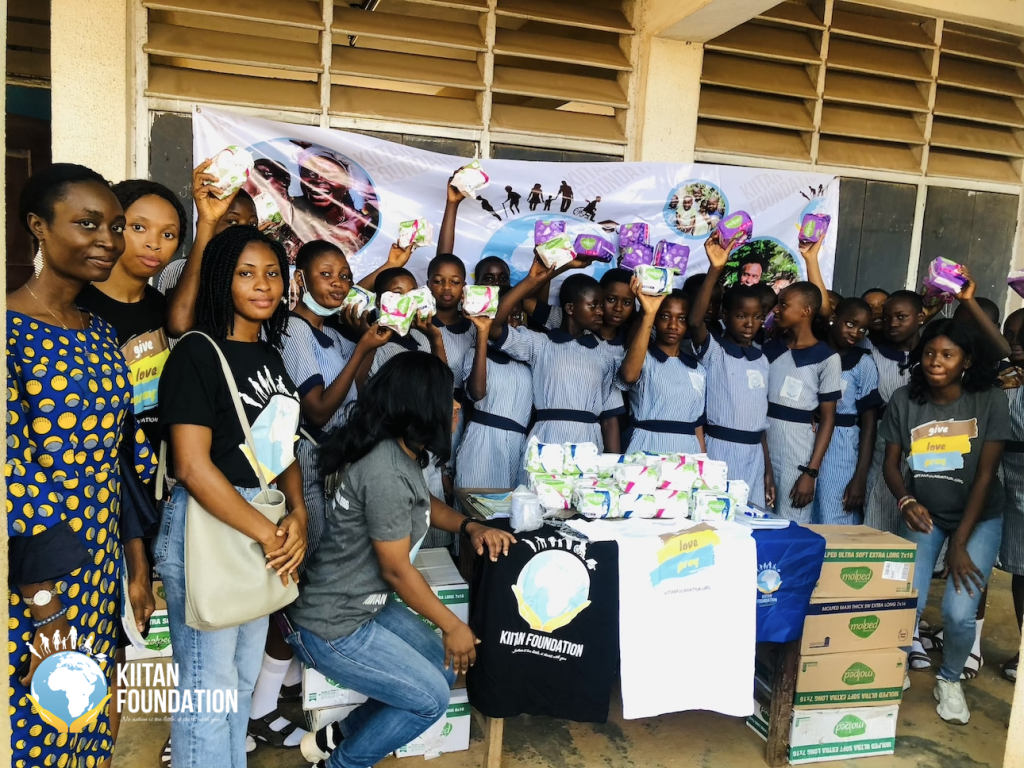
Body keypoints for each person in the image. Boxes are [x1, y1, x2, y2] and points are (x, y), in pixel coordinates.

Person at [288, 352, 516, 768]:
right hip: (333, 626)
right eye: (446, 397)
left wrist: (470, 527)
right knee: (430, 699)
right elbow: (396, 571)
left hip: (363, 608)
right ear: (419, 406)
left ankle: (337, 736)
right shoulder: (386, 469)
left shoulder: (400, 453)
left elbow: (422, 501)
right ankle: (342, 763)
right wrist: (453, 626)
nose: (456, 406)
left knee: (442, 669)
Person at [9, 163, 158, 768]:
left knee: (89, 727)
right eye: (88, 224)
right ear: (38, 227)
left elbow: (122, 459)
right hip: (33, 580)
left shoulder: (99, 334)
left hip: (98, 569)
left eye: (116, 227)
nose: (108, 240)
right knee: (39, 730)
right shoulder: (9, 334)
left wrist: (135, 566)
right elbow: (13, 479)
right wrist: (45, 611)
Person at [157, 226, 308, 768]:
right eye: (246, 273)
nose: (263, 285)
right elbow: (192, 467)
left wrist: (298, 514)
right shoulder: (196, 354)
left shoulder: (268, 355)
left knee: (241, 683)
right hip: (211, 525)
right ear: (222, 280)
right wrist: (271, 533)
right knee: (208, 691)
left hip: (262, 523)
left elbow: (282, 447)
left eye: (272, 273)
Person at [880, 319, 1009, 725]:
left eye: (948, 355)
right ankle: (893, 666)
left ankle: (950, 679)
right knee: (907, 600)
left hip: (979, 516)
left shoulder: (989, 400)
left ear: (966, 362)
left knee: (958, 611)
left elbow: (986, 475)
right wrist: (905, 499)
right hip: (925, 513)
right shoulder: (905, 399)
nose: (936, 361)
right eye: (930, 353)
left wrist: (959, 544)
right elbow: (890, 463)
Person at [76, 180, 186, 447]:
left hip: (158, 462)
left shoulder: (163, 308)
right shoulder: (77, 307)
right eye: (138, 227)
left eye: (168, 235)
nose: (154, 244)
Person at [489, 257, 623, 462]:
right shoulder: (540, 344)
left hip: (589, 446)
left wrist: (614, 465)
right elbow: (493, 326)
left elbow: (610, 420)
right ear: (570, 308)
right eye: (593, 305)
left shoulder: (604, 355)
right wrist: (532, 280)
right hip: (546, 442)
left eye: (601, 306)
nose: (600, 311)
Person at [690, 232, 774, 508]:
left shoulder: (762, 360)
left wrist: (768, 470)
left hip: (754, 457)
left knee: (751, 519)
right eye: (741, 316)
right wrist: (715, 269)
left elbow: (760, 422)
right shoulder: (715, 351)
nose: (750, 324)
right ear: (725, 316)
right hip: (719, 451)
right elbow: (695, 322)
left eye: (757, 317)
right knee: (717, 517)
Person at [764, 283, 841, 522]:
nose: (776, 310)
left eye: (783, 305)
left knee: (791, 521)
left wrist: (811, 472)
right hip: (762, 445)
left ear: (806, 311)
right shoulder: (769, 350)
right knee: (758, 515)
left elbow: (828, 419)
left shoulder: (827, 358)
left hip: (797, 451)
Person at [165, 159, 261, 335]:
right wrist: (206, 222)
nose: (243, 231)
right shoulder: (179, 269)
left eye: (252, 224)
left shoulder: (254, 274)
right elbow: (179, 326)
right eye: (232, 222)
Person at [455, 288, 533, 490]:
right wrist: (483, 333)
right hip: (483, 443)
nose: (511, 323)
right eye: (504, 316)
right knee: (476, 503)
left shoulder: (530, 359)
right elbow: (477, 394)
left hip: (518, 444)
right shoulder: (476, 354)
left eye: (517, 316)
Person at [813, 298, 882, 525]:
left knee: (834, 514)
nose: (856, 333)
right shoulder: (813, 354)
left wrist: (859, 478)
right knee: (804, 511)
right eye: (851, 324)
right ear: (834, 319)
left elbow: (869, 424)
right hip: (807, 439)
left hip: (841, 448)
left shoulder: (863, 363)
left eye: (863, 329)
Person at [617, 283, 707, 455]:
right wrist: (648, 314)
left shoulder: (697, 370)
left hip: (687, 452)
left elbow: (697, 426)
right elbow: (628, 376)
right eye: (665, 316)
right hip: (646, 448)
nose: (673, 325)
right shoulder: (643, 359)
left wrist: (702, 461)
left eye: (681, 318)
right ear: (656, 319)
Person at [864, 290, 926, 533]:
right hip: (885, 443)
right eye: (887, 318)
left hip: (926, 444)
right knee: (880, 511)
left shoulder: (932, 355)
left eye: (901, 317)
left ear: (921, 317)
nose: (892, 324)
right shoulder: (874, 354)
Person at [1000, 309, 1024, 682]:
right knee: (1021, 570)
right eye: (1010, 335)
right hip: (1009, 476)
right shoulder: (1001, 379)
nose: (1016, 343)